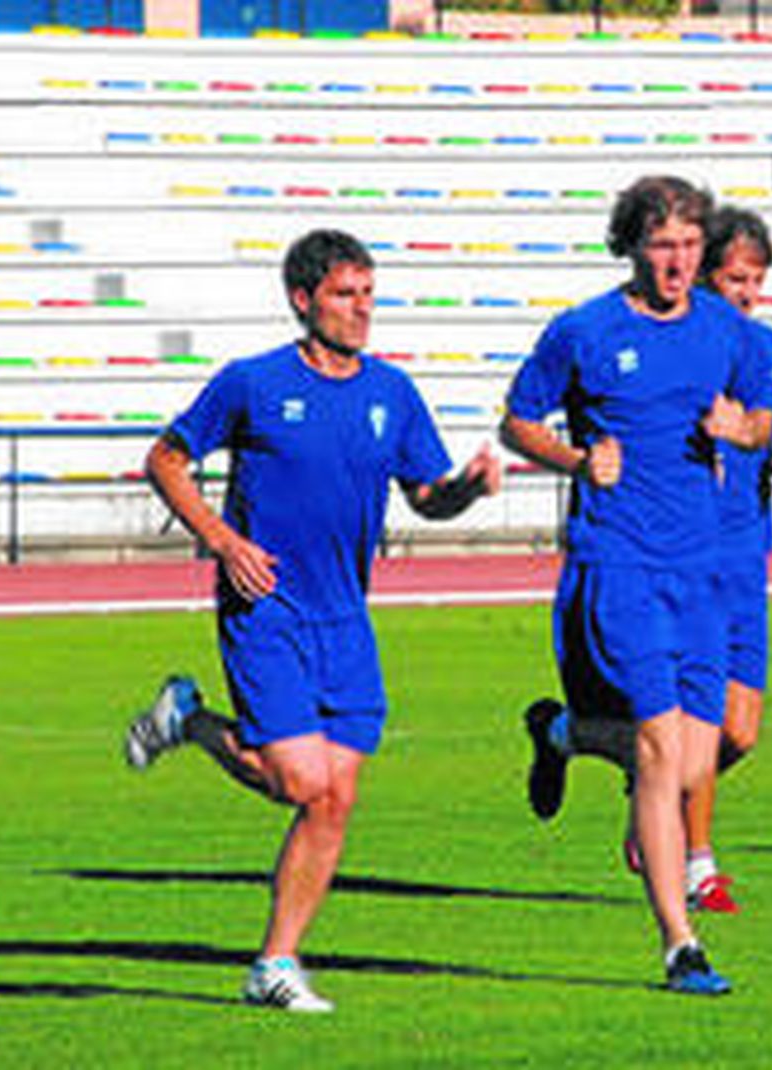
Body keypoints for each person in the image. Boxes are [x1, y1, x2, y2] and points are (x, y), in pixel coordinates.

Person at [122, 228, 501, 1012]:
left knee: (335, 797)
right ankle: (190, 722)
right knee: (299, 778)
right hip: (266, 610)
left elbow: (426, 496)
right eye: (343, 295)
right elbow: (165, 459)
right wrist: (223, 542)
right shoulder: (251, 384)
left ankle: (275, 965)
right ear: (303, 301)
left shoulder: (392, 392)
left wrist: (465, 487)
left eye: (367, 294)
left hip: (346, 620)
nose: (361, 310)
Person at [501, 177, 772, 996]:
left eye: (692, 246)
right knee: (662, 750)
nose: (679, 261)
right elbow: (517, 418)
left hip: (703, 571)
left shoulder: (731, 331)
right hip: (616, 561)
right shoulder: (584, 330)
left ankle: (562, 735)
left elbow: (765, 414)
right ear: (632, 245)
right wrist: (577, 458)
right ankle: (679, 944)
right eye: (663, 245)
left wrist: (746, 428)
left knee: (694, 756)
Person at [681, 205, 772, 912]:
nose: (748, 292)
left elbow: (769, 416)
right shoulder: (674, 347)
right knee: (701, 720)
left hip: (744, 555)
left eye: (756, 279)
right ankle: (698, 865)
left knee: (741, 732)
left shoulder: (764, 345)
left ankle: (653, 786)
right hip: (683, 559)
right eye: (735, 277)